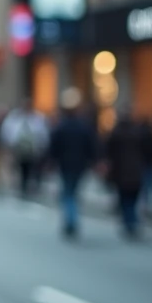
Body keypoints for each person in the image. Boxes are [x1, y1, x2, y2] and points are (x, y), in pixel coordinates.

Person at [47, 88, 97, 239]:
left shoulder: (61, 127)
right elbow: (93, 145)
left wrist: (50, 161)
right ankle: (72, 219)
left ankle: (71, 220)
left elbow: (53, 147)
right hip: (80, 165)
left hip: (66, 164)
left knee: (68, 193)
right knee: (72, 192)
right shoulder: (84, 126)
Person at [105, 111, 152, 239]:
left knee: (125, 200)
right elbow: (149, 151)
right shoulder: (137, 133)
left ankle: (130, 222)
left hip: (121, 173)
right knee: (132, 199)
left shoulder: (116, 134)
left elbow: (109, 153)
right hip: (136, 172)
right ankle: (132, 221)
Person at [0, 98, 49, 198]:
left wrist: (41, 145)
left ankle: (29, 184)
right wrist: (9, 144)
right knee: (21, 167)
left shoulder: (37, 118)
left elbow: (43, 133)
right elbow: (7, 131)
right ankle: (22, 185)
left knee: (31, 167)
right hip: (18, 149)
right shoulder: (14, 117)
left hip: (33, 149)